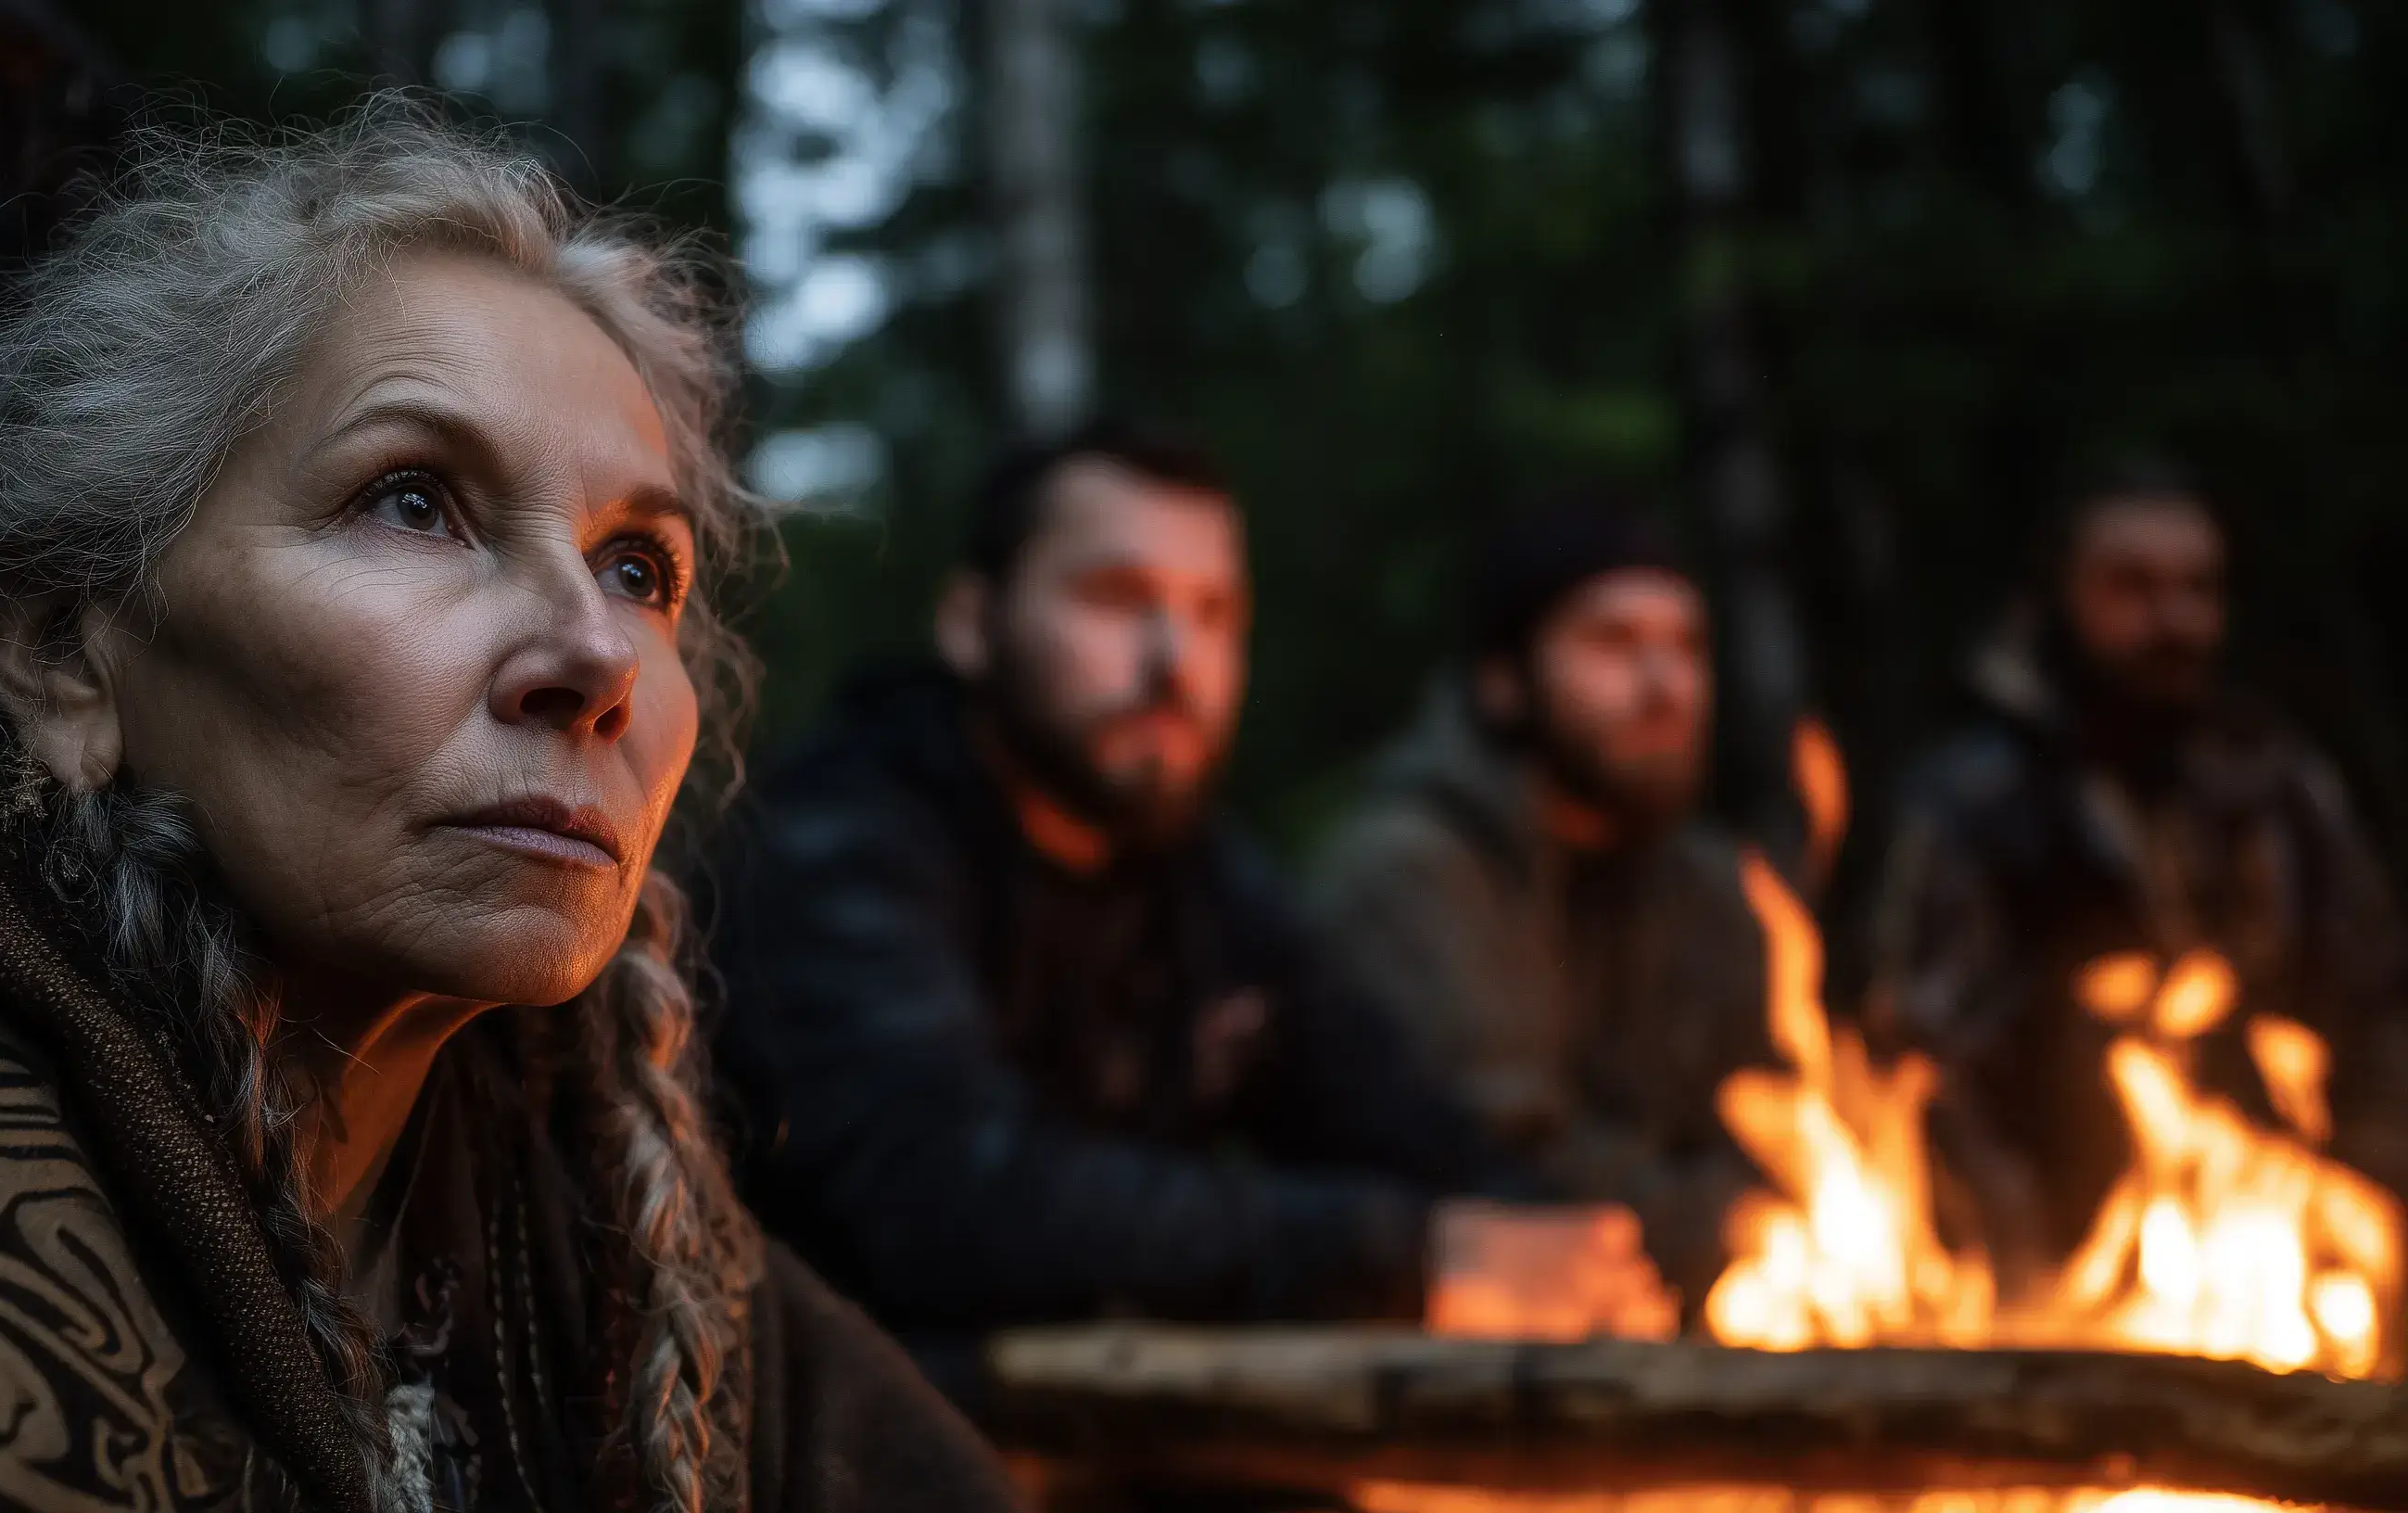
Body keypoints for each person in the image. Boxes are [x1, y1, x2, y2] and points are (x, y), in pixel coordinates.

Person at [0, 108, 1012, 1513]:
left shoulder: (587, 1190)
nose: (591, 658)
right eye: (413, 502)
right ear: (62, 653)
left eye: (640, 569)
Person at [703, 423, 1635, 1351]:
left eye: (1214, 614)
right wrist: (1401, 1253)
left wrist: (1572, 1245)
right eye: (1116, 597)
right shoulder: (836, 843)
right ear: (971, 624)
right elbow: (948, 1199)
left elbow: (1389, 1113)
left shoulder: (1201, 880)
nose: (1172, 659)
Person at [1866, 464, 2408, 1280]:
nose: (2175, 620)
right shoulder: (1975, 806)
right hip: (2049, 1279)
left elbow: (2376, 1011)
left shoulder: (2277, 789)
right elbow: (1917, 1078)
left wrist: (2366, 1188)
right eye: (2133, 587)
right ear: (2058, 598)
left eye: (2198, 588)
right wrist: (2016, 1268)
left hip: (2283, 1252)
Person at [1307, 502, 1773, 1297]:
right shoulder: (1412, 871)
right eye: (1613, 643)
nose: (1664, 685)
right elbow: (1508, 1164)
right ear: (1503, 683)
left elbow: (1786, 1120)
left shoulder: (1714, 885)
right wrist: (1761, 1231)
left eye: (1686, 647)